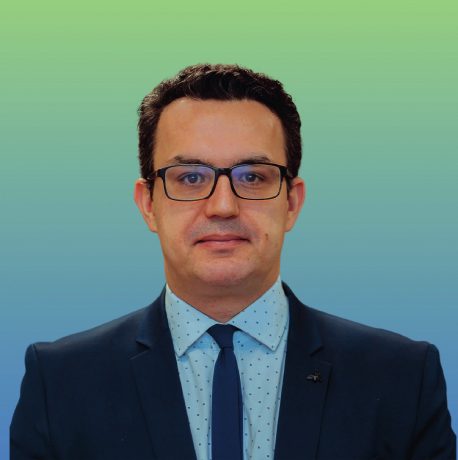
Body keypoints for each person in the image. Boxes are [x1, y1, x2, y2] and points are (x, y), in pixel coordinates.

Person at [10, 63, 455, 460]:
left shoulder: (401, 377)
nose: (222, 205)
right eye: (190, 177)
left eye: (253, 177)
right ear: (148, 204)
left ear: (292, 203)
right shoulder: (61, 382)